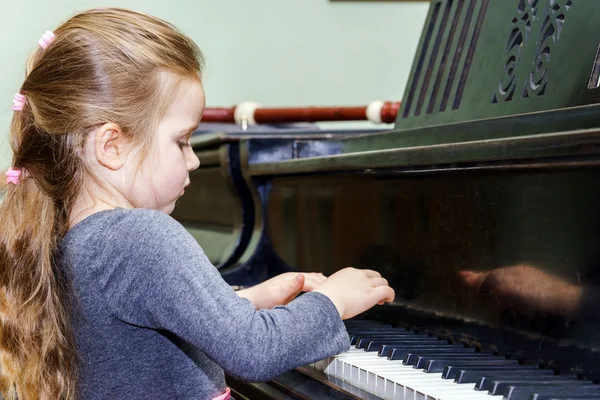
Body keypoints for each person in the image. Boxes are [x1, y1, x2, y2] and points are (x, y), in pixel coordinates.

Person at [0, 8, 395, 400]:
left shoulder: (76, 235)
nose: (193, 160)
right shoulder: (140, 236)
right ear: (112, 146)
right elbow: (256, 351)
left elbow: (136, 332)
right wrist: (334, 299)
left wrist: (244, 301)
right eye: (182, 141)